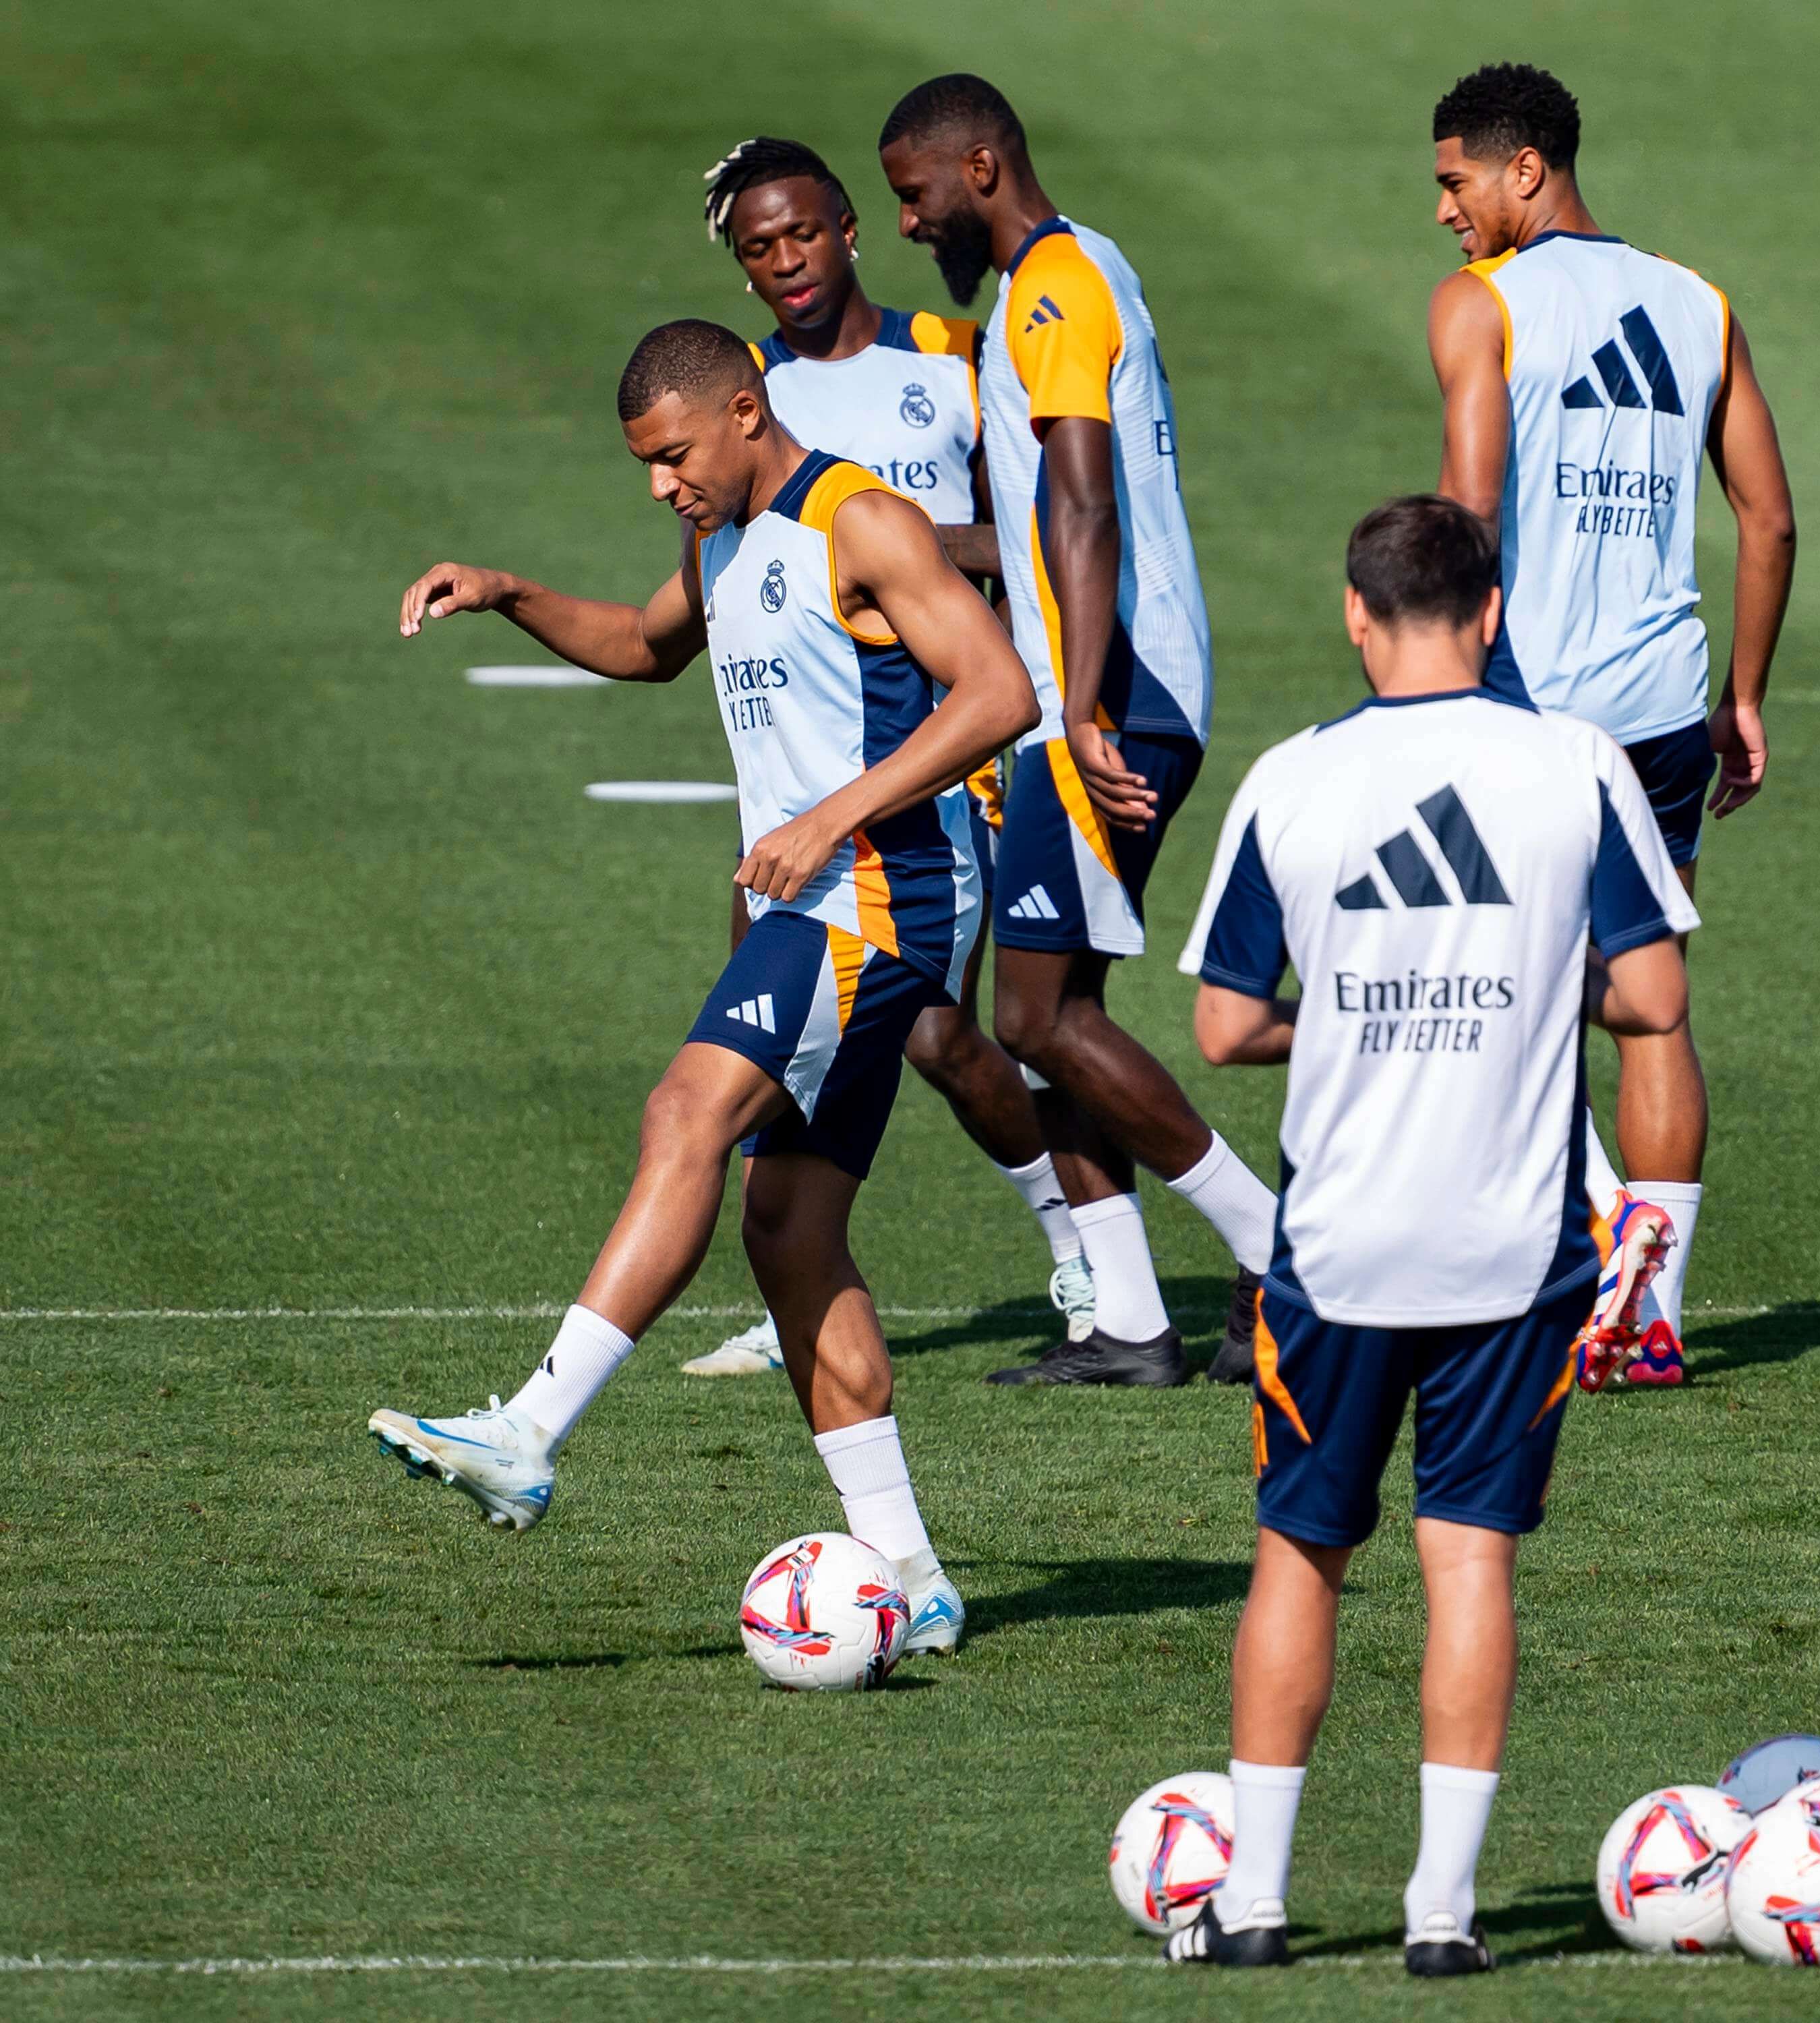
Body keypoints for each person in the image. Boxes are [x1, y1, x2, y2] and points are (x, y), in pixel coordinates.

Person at [368, 322, 1042, 1655]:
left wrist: (828, 818)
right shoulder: (721, 538)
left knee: (687, 1111)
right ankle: (913, 1577)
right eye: (645, 464)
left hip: (879, 896)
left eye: (673, 455)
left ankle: (528, 1431)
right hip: (821, 900)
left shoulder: (862, 523)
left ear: (744, 410)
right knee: (789, 1234)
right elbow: (640, 643)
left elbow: (1000, 692)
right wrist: (506, 589)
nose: (660, 484)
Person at [1159, 496, 1695, 1972]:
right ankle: (1443, 1919)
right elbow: (1654, 999)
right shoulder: (1575, 765)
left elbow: (1222, 1027)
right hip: (1515, 1250)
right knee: (1470, 1567)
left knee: (1299, 1555)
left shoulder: (1292, 780)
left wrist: (1343, 1013)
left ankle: (1254, 1908)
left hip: (1336, 1247)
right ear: (1493, 611)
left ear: (1355, 614)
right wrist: (1532, 990)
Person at [876, 74, 1281, 1390]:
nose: (909, 223)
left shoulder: (1050, 288)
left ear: (980, 166)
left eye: (914, 193)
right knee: (1058, 1010)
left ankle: (1283, 1257)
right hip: (1100, 689)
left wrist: (1086, 703)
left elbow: (1086, 507)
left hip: (1109, 701)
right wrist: (895, 545)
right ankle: (1131, 1322)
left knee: (1038, 1016)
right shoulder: (1067, 273)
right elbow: (1041, 525)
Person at [677, 134, 1095, 1380]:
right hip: (800, 765)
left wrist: (895, 541)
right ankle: (790, 1284)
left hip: (935, 762)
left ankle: (1075, 1241)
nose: (787, 262)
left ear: (851, 228)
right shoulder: (742, 394)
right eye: (760, 249)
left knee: (937, 1037)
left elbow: (1035, 531)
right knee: (766, 1009)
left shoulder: (953, 358)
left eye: (804, 233)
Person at [1426, 62, 1796, 1385]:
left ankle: (1595, 1239)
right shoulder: (1699, 303)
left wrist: (1436, 682)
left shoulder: (1481, 305)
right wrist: (1742, 694)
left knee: (1494, 994)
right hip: (1664, 713)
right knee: (1650, 1005)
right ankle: (1654, 1314)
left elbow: (1470, 511)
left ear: (1523, 170)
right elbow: (1770, 518)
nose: (1445, 211)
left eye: (1455, 182)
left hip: (1531, 708)